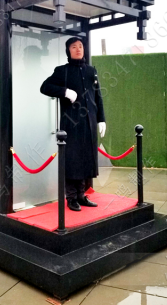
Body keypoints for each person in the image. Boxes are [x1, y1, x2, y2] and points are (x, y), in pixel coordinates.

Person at [40, 36, 106, 211]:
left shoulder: (91, 70)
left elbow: (98, 96)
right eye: (74, 47)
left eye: (80, 46)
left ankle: (81, 195)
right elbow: (44, 87)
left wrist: (101, 119)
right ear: (68, 51)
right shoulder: (62, 71)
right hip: (71, 124)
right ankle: (71, 197)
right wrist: (65, 91)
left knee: (85, 159)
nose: (78, 49)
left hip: (89, 122)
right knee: (72, 160)